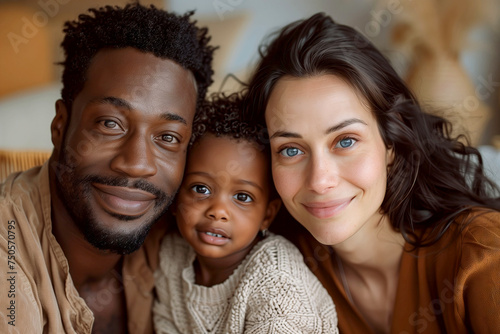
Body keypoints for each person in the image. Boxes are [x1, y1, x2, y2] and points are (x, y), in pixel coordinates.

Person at [243, 12, 500, 334]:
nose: (320, 181)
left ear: (391, 143)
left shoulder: (483, 250)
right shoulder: (277, 267)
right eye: (291, 150)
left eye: (345, 141)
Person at [0, 3, 215, 333]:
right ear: (60, 125)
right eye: (110, 124)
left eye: (168, 137)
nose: (137, 164)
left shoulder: (186, 233)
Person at [153, 93, 338, 333]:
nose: (218, 211)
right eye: (201, 189)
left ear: (267, 216)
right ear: (177, 197)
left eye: (242, 197)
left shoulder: (278, 283)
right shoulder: (172, 255)